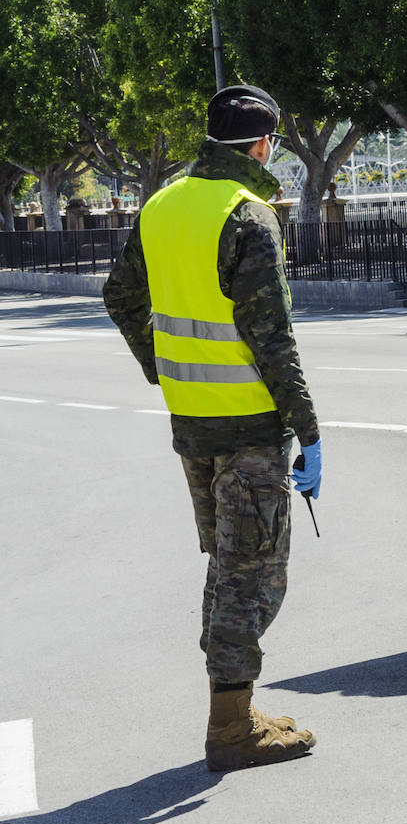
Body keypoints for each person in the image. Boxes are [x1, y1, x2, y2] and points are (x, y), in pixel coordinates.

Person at [103, 85, 321, 771]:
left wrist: (160, 367)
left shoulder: (162, 205)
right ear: (263, 145)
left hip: (191, 422)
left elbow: (119, 295)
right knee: (253, 576)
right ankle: (230, 729)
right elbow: (272, 337)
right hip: (249, 425)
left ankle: (236, 706)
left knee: (227, 568)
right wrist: (308, 429)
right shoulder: (246, 215)